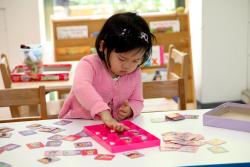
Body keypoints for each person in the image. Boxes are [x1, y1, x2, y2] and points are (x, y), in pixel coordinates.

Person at [59, 12, 155, 131]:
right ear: (103, 46)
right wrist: (104, 113)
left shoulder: (135, 72)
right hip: (77, 124)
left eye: (135, 60)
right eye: (122, 59)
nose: (128, 66)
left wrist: (130, 110)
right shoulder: (88, 64)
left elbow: (137, 100)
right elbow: (81, 87)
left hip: (111, 129)